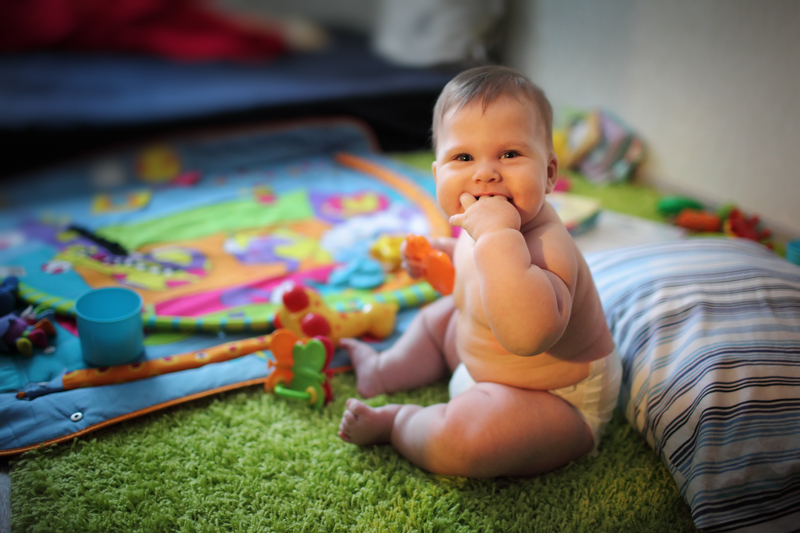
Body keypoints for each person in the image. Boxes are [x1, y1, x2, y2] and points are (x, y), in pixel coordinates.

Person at [337, 65, 621, 478]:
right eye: (463, 157)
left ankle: (399, 423)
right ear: (437, 175)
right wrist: (443, 255)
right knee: (438, 320)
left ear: (549, 174)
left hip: (550, 397)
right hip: (478, 358)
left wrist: (496, 235)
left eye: (509, 154)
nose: (485, 172)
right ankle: (382, 370)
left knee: (470, 442)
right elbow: (474, 268)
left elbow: (526, 335)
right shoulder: (486, 224)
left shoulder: (548, 244)